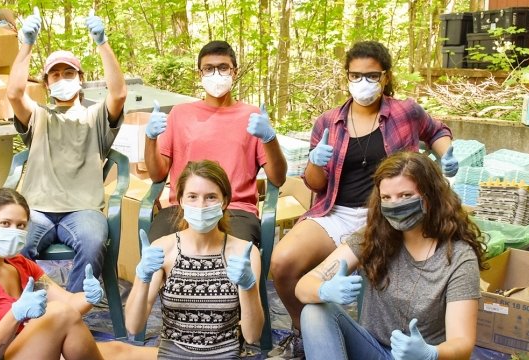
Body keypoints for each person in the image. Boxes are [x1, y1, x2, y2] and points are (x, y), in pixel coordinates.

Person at [268, 41, 459, 358]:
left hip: (392, 213)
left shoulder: (405, 112)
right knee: (282, 262)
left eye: (371, 76)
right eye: (355, 76)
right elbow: (315, 184)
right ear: (346, 76)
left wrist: (447, 152)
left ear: (385, 77)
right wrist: (316, 161)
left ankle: (378, 342)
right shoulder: (328, 122)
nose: (363, 83)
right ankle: (304, 332)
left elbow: (437, 130)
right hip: (336, 211)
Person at [295, 151, 485, 360]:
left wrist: (431, 353)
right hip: (372, 351)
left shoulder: (459, 257)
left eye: (405, 196)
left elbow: (462, 343)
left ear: (430, 196)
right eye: (387, 198)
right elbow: (304, 285)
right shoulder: (374, 238)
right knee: (314, 312)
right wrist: (323, 290)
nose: (395, 204)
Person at [0, 188, 151, 359]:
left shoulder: (19, 264)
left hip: (19, 349)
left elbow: (68, 303)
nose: (13, 230)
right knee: (58, 313)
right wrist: (15, 315)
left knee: (119, 351)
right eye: (5, 223)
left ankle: (180, 353)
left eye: (20, 225)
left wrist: (89, 297)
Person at [6, 7, 126, 292]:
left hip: (83, 210)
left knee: (94, 243)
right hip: (35, 209)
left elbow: (119, 94)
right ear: (46, 84)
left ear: (80, 78)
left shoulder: (95, 116)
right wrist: (27, 45)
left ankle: (69, 312)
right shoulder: (38, 116)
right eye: (55, 75)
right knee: (11, 248)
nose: (62, 79)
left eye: (68, 73)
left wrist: (102, 44)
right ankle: (26, 311)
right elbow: (13, 93)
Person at [143, 40, 287, 247]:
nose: (216, 74)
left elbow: (278, 178)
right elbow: (157, 175)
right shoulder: (180, 114)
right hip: (184, 207)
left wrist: (269, 138)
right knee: (157, 256)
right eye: (209, 69)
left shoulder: (252, 116)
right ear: (199, 74)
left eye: (223, 68)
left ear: (234, 72)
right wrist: (151, 138)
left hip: (236, 210)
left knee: (231, 263)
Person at [125, 160, 265, 359]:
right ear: (180, 200)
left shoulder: (243, 253)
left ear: (224, 201)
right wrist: (142, 278)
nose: (201, 205)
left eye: (211, 197)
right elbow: (133, 325)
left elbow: (252, 335)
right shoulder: (163, 249)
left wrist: (248, 287)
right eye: (192, 196)